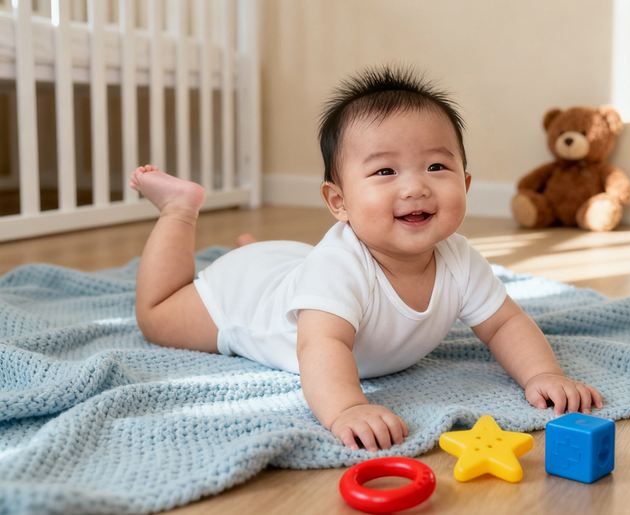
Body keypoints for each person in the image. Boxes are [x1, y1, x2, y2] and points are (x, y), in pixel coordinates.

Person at [130, 66, 603, 452]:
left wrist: (544, 375)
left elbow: (504, 324)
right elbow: (322, 348)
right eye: (384, 170)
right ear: (339, 203)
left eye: (437, 166)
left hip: (294, 264)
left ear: (467, 184)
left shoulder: (459, 258)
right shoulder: (338, 267)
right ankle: (178, 209)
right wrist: (347, 408)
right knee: (158, 315)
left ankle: (254, 250)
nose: (415, 186)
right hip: (241, 299)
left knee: (295, 270)